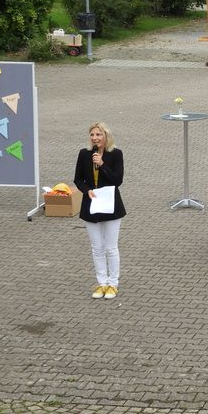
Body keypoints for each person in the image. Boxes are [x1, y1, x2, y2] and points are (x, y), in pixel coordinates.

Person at [73, 122, 126, 300]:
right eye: (92, 135)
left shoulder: (115, 154)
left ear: (106, 136)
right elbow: (78, 179)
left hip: (111, 205)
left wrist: (102, 164)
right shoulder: (84, 154)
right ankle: (101, 282)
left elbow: (117, 180)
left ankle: (113, 283)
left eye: (98, 135)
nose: (95, 138)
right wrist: (86, 190)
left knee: (110, 247)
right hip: (92, 204)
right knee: (97, 248)